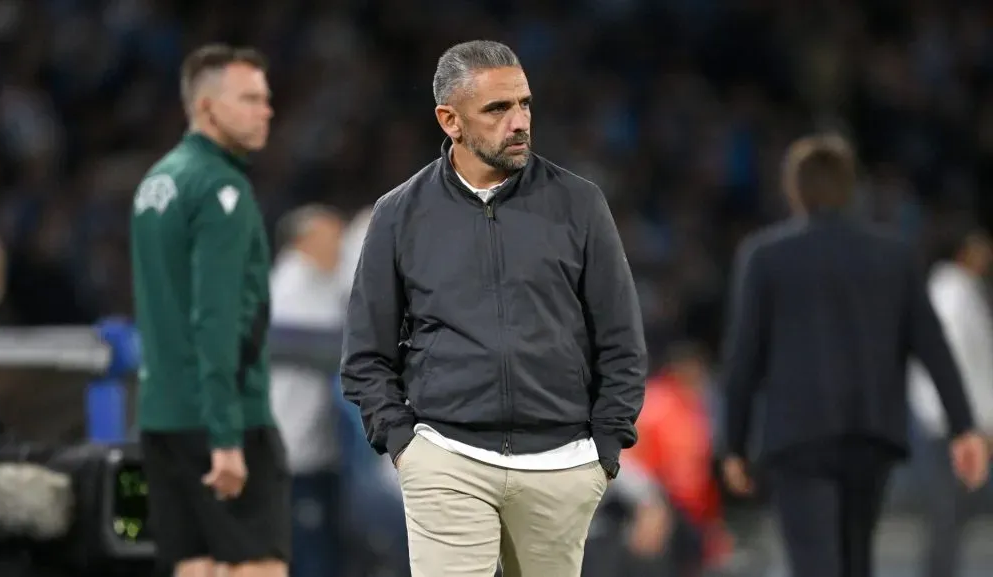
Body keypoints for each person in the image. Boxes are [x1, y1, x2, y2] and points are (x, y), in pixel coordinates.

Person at [341, 40, 647, 577]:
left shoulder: (580, 203)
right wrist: (405, 447)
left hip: (561, 464)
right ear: (450, 120)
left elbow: (621, 339)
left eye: (524, 104)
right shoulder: (398, 215)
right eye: (498, 109)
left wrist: (604, 448)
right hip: (446, 459)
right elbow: (366, 354)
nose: (519, 121)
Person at [719, 133, 990, 577]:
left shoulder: (765, 256)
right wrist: (964, 427)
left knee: (815, 564)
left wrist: (733, 443)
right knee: (855, 562)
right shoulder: (894, 255)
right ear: (850, 189)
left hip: (797, 437)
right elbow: (933, 346)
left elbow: (743, 357)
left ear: (794, 188)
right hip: (871, 435)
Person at [130, 44, 289, 577]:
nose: (265, 110)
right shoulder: (221, 188)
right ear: (206, 108)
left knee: (193, 565)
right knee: (259, 566)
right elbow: (217, 317)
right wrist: (226, 435)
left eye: (265, 99)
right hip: (224, 415)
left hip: (163, 414)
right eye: (248, 99)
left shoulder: (157, 182)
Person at [908, 226, 993, 577]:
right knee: (946, 518)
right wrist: (977, 423)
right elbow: (957, 365)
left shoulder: (957, 291)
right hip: (952, 426)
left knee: (949, 519)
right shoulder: (952, 294)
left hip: (950, 422)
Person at [269, 204, 347, 577]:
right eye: (332, 238)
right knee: (311, 559)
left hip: (313, 449)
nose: (340, 247)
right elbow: (329, 347)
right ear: (304, 241)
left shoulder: (318, 283)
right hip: (294, 453)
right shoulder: (292, 284)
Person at [626, 342, 732, 575]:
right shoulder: (659, 403)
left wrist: (712, 523)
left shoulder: (694, 407)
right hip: (656, 505)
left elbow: (699, 476)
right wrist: (648, 505)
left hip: (687, 513)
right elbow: (631, 460)